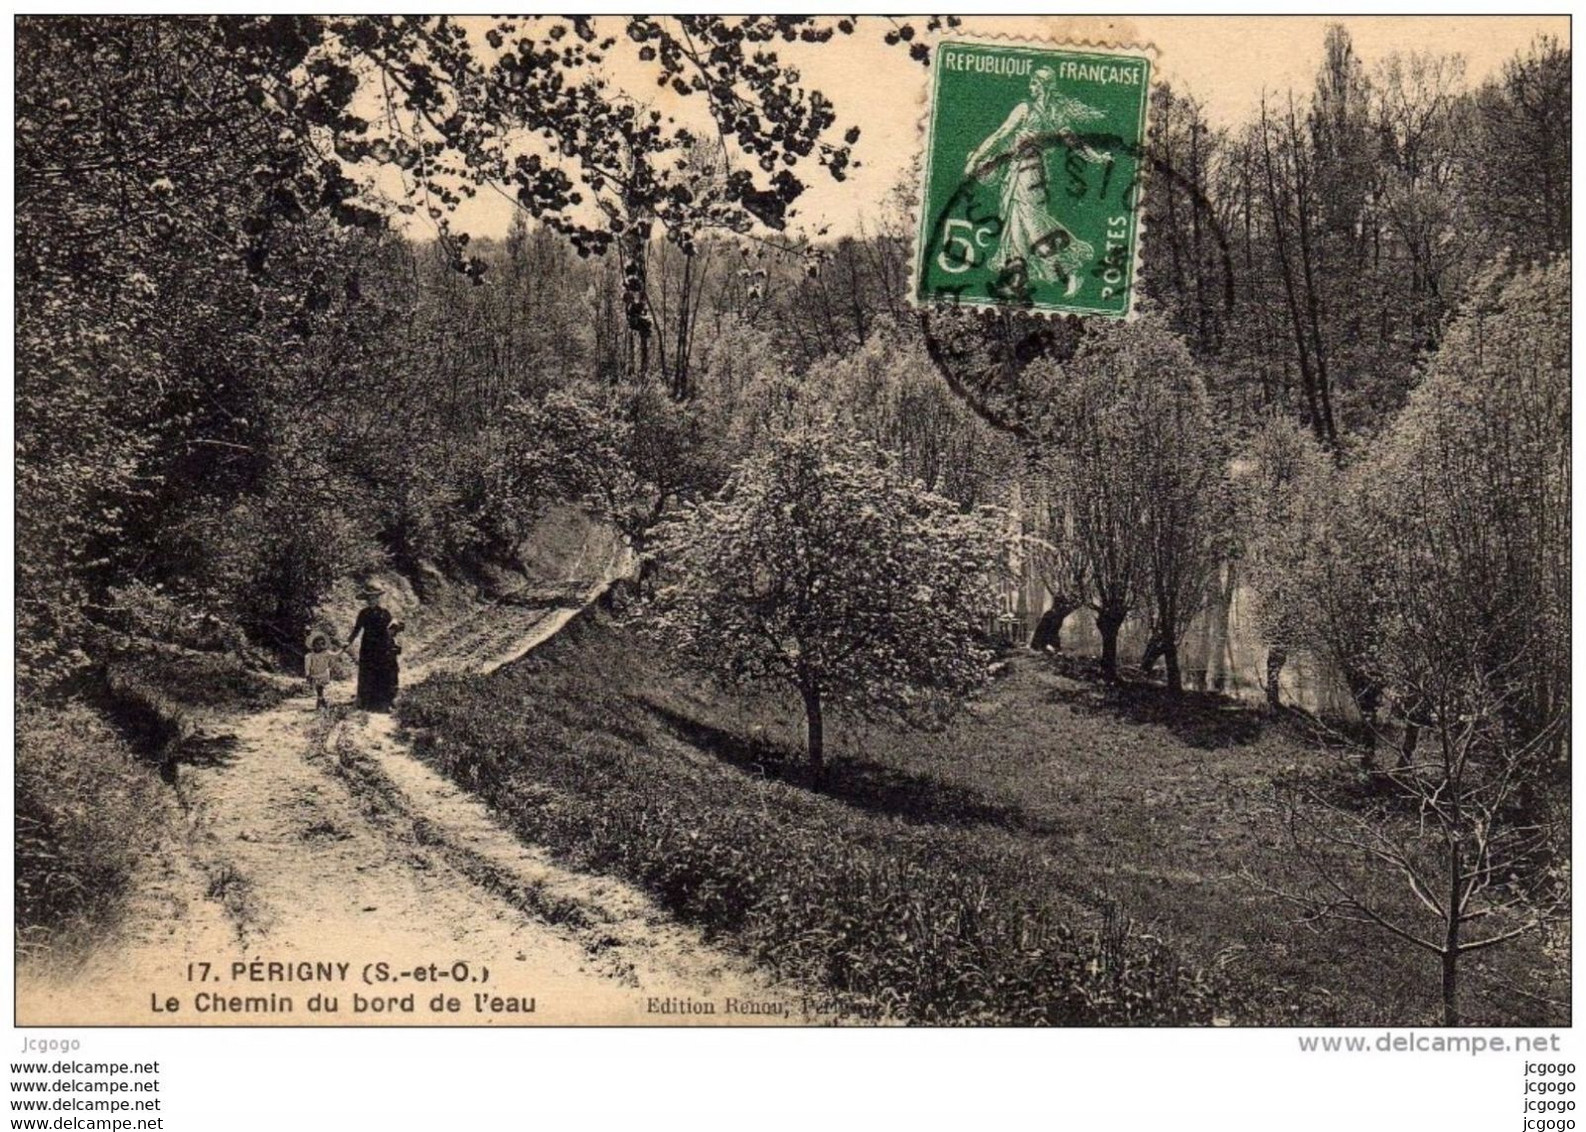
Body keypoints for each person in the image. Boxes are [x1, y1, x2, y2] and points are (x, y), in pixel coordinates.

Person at [963, 66, 1110, 297]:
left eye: (1034, 84)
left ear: (1044, 87)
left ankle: (1071, 271)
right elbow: (1002, 135)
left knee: (1034, 224)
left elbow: (1002, 134)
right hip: (1017, 173)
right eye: (1031, 84)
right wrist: (1096, 157)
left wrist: (976, 160)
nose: (1030, 88)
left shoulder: (1037, 111)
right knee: (1016, 226)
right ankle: (1017, 281)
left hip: (1030, 174)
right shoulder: (1046, 112)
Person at [346, 584, 403, 712]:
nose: (372, 600)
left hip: (382, 646)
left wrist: (394, 643)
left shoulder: (385, 613)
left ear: (378, 599)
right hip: (367, 646)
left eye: (374, 598)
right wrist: (348, 642)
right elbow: (357, 629)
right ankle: (364, 700)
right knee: (366, 671)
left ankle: (384, 701)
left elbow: (392, 630)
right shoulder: (363, 613)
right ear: (366, 600)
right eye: (369, 598)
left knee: (383, 671)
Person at [304, 631, 334, 711]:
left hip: (324, 674)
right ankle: (322, 703)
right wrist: (308, 675)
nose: (319, 646)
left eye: (321, 644)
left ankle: (319, 704)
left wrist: (343, 648)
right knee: (319, 689)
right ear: (313, 645)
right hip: (315, 674)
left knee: (320, 688)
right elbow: (307, 666)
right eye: (317, 644)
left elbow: (336, 655)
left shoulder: (326, 653)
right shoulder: (310, 656)